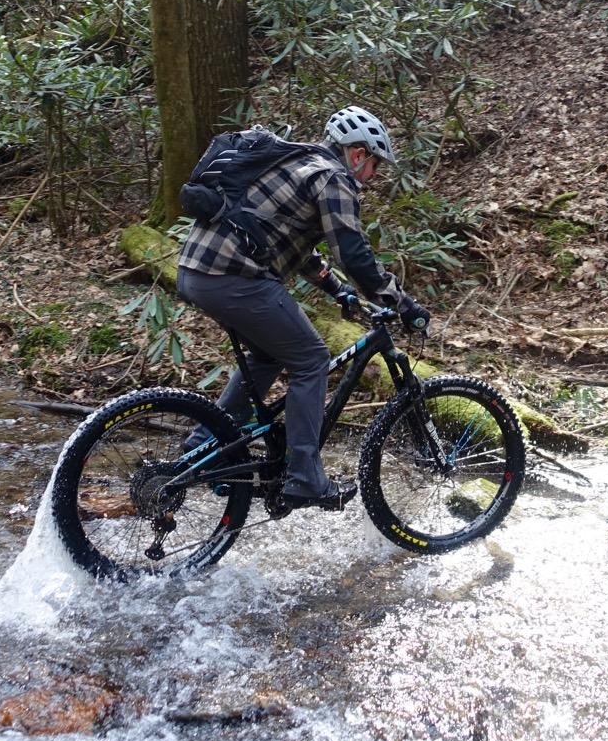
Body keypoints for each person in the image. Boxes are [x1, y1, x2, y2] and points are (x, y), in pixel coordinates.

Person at [175, 105, 429, 510]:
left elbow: (298, 246)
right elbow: (354, 253)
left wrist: (340, 292)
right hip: (233, 276)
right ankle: (304, 476)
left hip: (197, 271)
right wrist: (401, 302)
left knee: (269, 353)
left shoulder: (300, 165)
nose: (374, 176)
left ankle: (209, 439)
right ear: (358, 153)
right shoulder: (333, 177)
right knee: (311, 358)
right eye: (375, 164)